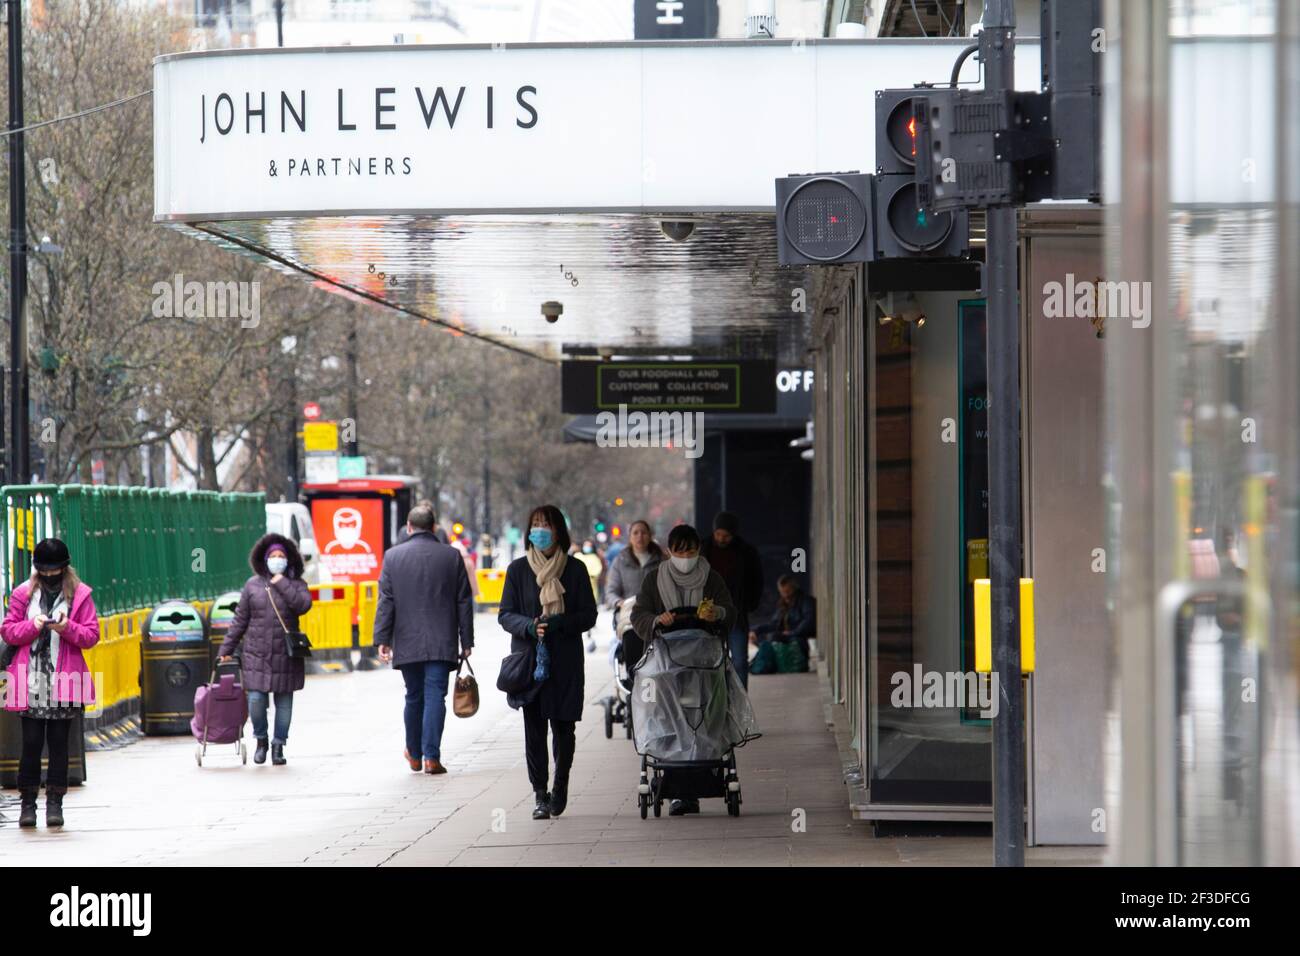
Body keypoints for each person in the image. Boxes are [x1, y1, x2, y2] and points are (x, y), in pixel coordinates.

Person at [498, 505, 597, 820]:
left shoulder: (576, 569)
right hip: (531, 662)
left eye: (546, 524)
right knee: (534, 729)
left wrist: (560, 623)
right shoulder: (517, 570)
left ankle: (561, 785)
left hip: (565, 661)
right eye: (535, 524)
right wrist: (529, 626)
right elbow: (505, 614)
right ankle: (540, 793)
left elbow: (589, 615)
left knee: (564, 728)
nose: (539, 530)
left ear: (558, 531)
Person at [630, 523, 736, 816]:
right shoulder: (654, 580)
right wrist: (656, 620)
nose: (685, 555)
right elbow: (639, 615)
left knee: (701, 718)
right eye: (679, 550)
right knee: (670, 719)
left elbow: (730, 611)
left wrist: (718, 614)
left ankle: (696, 786)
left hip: (704, 664)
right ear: (669, 551)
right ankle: (678, 789)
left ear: (698, 550)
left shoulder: (712, 580)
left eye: (690, 549)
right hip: (666, 665)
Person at [2, 539, 100, 828]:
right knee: (31, 744)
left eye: (54, 570)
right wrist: (31, 626)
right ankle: (28, 804)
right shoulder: (22, 593)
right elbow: (8, 631)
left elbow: (91, 636)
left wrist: (66, 627)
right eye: (44, 571)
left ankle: (55, 803)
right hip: (30, 680)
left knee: (59, 744)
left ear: (64, 568)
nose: (49, 576)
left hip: (64, 680)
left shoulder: (80, 596)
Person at [374, 503, 475, 775]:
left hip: (407, 641)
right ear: (433, 528)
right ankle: (432, 756)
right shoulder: (451, 556)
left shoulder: (393, 557)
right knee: (435, 697)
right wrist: (466, 641)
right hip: (442, 640)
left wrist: (382, 639)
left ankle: (414, 754)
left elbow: (387, 601)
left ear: (408, 527)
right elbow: (464, 601)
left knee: (413, 696)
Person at [218, 534, 313, 766]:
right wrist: (226, 648)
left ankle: (278, 745)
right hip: (256, 654)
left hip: (286, 655)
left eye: (281, 556)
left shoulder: (297, 585)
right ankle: (261, 740)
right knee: (256, 701)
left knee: (284, 704)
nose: (277, 560)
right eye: (273, 556)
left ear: (289, 560)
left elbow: (302, 606)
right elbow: (240, 620)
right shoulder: (252, 585)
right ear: (264, 559)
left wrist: (281, 582)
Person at [700, 511, 764, 690]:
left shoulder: (746, 552)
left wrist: (750, 604)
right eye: (718, 534)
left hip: (736, 612)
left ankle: (740, 701)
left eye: (726, 536)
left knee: (740, 661)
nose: (721, 539)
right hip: (708, 613)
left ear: (733, 535)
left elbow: (756, 580)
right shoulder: (703, 548)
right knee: (711, 660)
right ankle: (716, 700)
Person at [604, 520, 664, 668]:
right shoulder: (620, 561)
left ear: (650, 535)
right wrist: (619, 602)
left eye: (644, 532)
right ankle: (633, 682)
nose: (640, 536)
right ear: (629, 536)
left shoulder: (662, 560)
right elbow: (610, 591)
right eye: (635, 533)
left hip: (656, 615)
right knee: (631, 642)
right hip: (629, 616)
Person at [750, 575, 817, 663]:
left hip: (799, 638)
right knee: (770, 639)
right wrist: (756, 630)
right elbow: (774, 624)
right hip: (787, 636)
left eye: (788, 591)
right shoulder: (783, 605)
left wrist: (792, 633)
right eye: (782, 592)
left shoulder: (806, 601)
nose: (786, 595)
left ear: (794, 589)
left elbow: (808, 622)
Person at [574, 539, 604, 652]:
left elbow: (597, 570)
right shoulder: (578, 556)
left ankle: (589, 630)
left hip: (592, 586)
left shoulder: (595, 558)